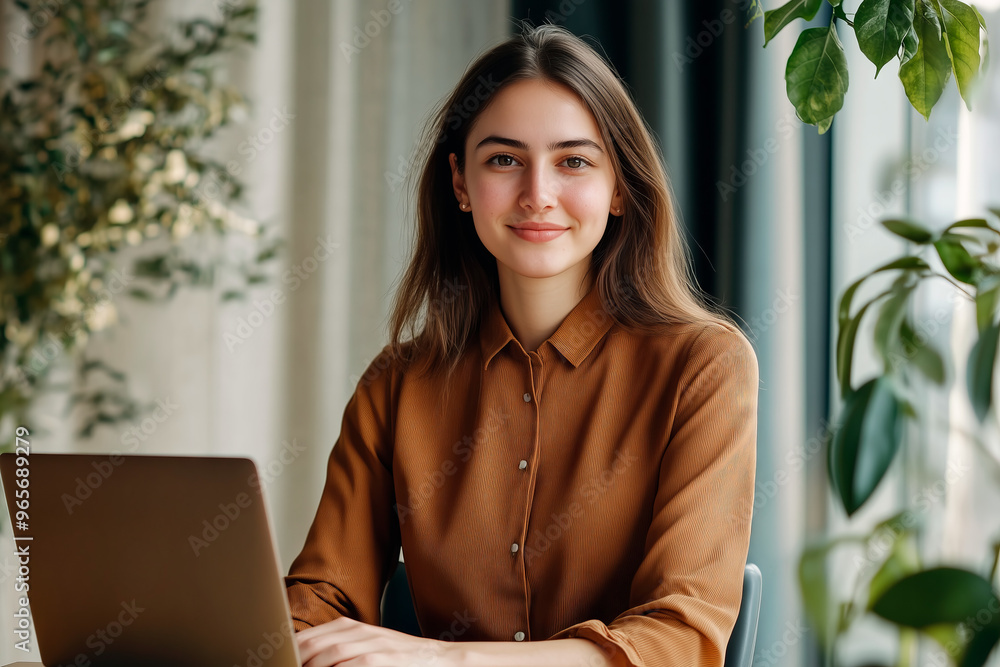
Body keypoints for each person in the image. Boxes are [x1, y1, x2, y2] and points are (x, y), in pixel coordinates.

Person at [285, 21, 759, 667]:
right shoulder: (397, 383)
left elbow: (677, 639)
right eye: (504, 160)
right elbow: (318, 602)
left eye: (574, 161)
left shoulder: (704, 366)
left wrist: (443, 659)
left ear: (618, 186)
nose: (538, 195)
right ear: (459, 183)